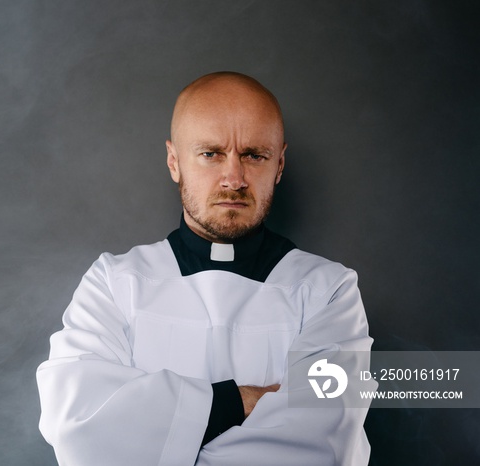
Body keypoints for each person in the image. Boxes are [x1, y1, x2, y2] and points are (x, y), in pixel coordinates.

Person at [36, 72, 373, 465]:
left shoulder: (329, 291)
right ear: (174, 162)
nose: (234, 178)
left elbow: (322, 446)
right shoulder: (114, 283)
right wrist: (243, 400)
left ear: (279, 165)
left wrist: (160, 430)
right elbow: (78, 426)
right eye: (211, 153)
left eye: (254, 155)